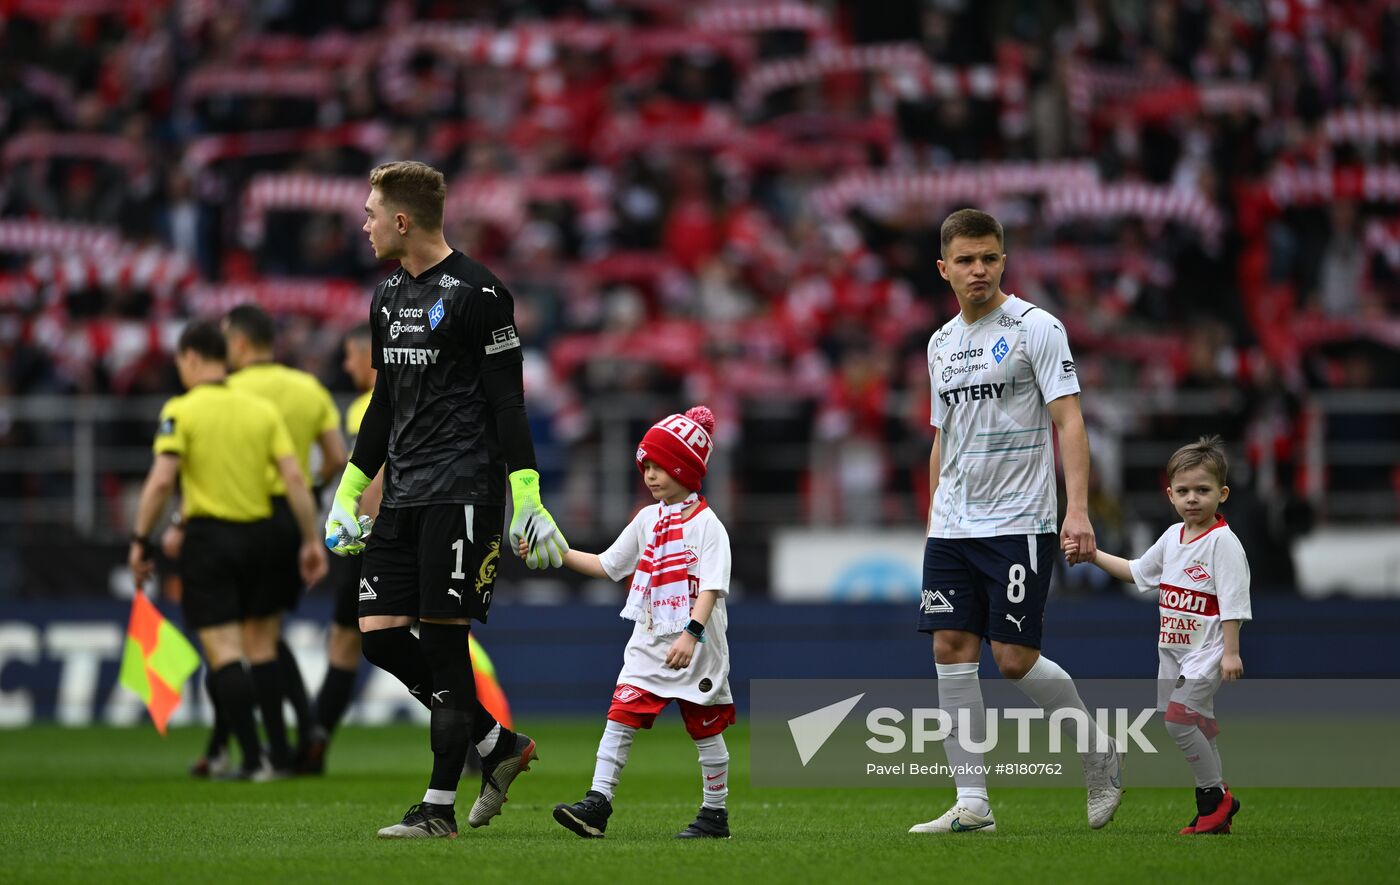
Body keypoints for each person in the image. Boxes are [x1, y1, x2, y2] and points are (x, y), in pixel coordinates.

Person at [323, 160, 567, 839]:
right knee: (377, 636)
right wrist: (347, 494)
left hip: (463, 491)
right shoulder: (385, 297)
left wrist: (527, 494)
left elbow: (508, 402)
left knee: (444, 643)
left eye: (371, 212)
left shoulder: (480, 294)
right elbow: (381, 410)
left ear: (402, 220)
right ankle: (495, 743)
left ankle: (436, 807)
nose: (364, 224)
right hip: (400, 494)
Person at [911, 208, 1121, 835]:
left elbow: (1071, 421)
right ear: (944, 268)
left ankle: (1096, 749)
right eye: (968, 260)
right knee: (950, 649)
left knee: (1013, 659)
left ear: (1003, 260)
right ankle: (972, 803)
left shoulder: (1036, 328)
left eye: (991, 258)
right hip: (952, 525)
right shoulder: (939, 343)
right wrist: (932, 517)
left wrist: (1076, 509)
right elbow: (941, 438)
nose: (980, 269)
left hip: (1019, 519)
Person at [129, 320, 327, 779]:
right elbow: (296, 478)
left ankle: (251, 757)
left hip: (210, 539)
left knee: (223, 653)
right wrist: (310, 539)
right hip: (261, 537)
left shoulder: (182, 409)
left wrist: (142, 539)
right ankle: (278, 755)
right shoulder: (259, 411)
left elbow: (162, 480)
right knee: (262, 647)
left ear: (193, 358)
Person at [551, 406, 735, 840]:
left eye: (660, 466)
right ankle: (597, 803)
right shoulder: (647, 518)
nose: (650, 475)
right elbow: (607, 565)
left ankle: (715, 814)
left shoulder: (709, 526)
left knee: (704, 731)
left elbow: (711, 588)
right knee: (620, 717)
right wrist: (555, 549)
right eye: (646, 465)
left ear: (684, 468)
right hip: (650, 637)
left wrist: (692, 635)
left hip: (697, 645)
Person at [1064, 435, 1250, 835]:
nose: (1193, 499)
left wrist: (1231, 652)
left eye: (1203, 490)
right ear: (1170, 495)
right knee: (1198, 724)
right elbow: (1136, 573)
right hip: (1174, 651)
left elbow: (1234, 601)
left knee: (1178, 721)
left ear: (1222, 493)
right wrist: (1091, 555)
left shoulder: (1223, 543)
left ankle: (1214, 800)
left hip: (1208, 651)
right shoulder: (1171, 538)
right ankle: (1215, 811)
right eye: (1183, 491)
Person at [192, 302, 345, 772]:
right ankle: (291, 736)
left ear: (237, 343)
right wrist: (313, 488)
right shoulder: (308, 388)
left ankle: (241, 749)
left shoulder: (224, 392)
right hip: (292, 520)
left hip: (238, 519)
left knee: (233, 645)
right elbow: (338, 456)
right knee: (268, 636)